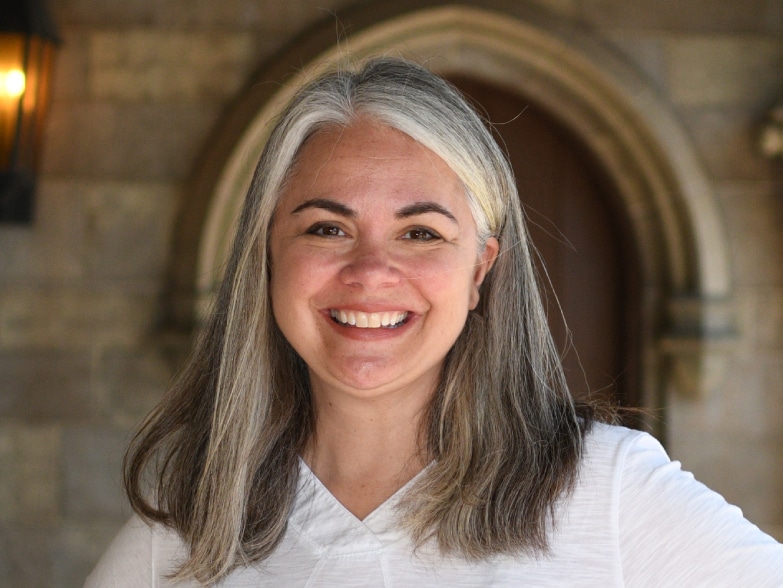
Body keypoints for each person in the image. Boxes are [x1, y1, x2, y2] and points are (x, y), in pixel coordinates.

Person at [85, 57, 783, 587]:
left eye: (420, 234)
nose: (369, 272)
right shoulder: (193, 514)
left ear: (480, 270)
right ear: (268, 255)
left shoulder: (605, 490)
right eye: (327, 228)